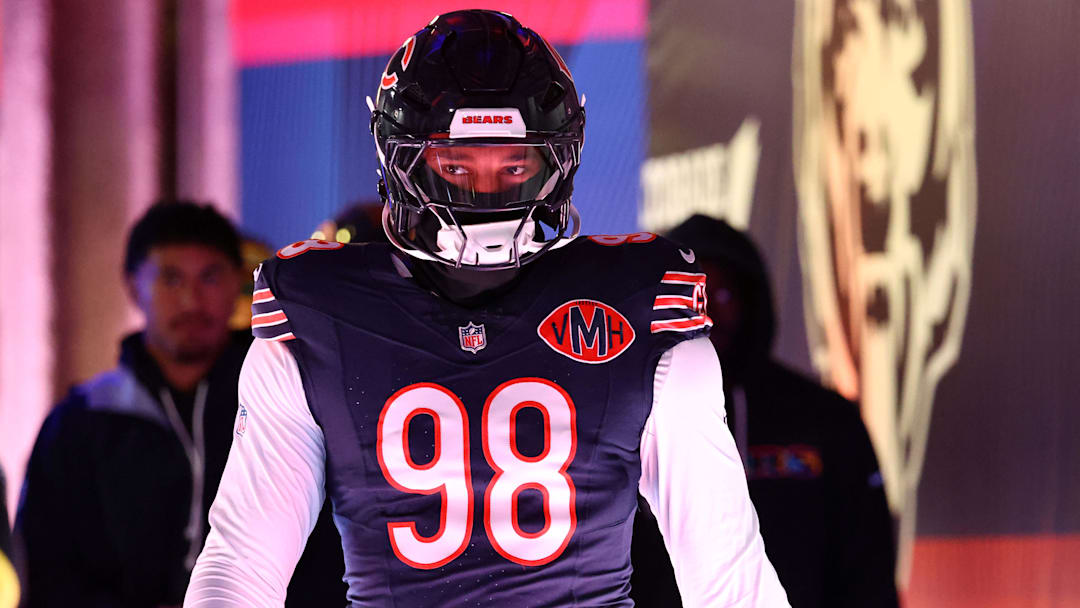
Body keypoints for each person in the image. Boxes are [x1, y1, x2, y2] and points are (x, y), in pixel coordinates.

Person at [184, 10, 788, 607]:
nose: (485, 190)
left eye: (514, 164)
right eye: (456, 165)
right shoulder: (320, 318)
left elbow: (726, 569)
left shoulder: (640, 307)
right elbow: (244, 562)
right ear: (403, 161)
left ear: (557, 162)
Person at [15, 202, 344, 607]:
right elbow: (46, 577)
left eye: (209, 277)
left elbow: (333, 555)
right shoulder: (81, 423)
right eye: (171, 279)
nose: (191, 300)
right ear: (134, 286)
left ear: (237, 284)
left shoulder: (289, 397)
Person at [639, 214, 897, 608]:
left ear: (749, 302)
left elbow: (867, 567)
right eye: (693, 296)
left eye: (723, 296)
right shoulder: (628, 417)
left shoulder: (823, 419)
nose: (706, 314)